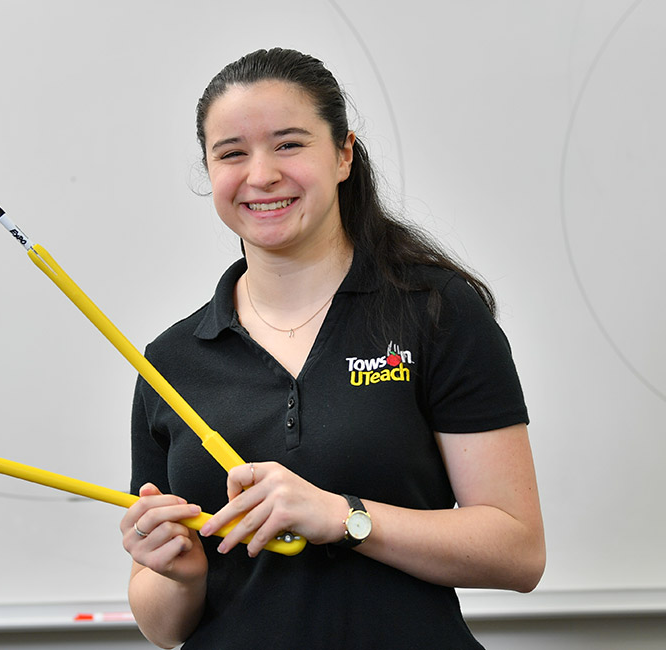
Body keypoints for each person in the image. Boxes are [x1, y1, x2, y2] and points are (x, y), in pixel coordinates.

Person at [120, 47, 544, 649]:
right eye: (232, 153)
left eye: (289, 144)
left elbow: (518, 552)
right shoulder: (170, 361)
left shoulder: (435, 310)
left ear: (344, 154)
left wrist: (342, 517)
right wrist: (177, 576)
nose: (260, 174)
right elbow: (164, 630)